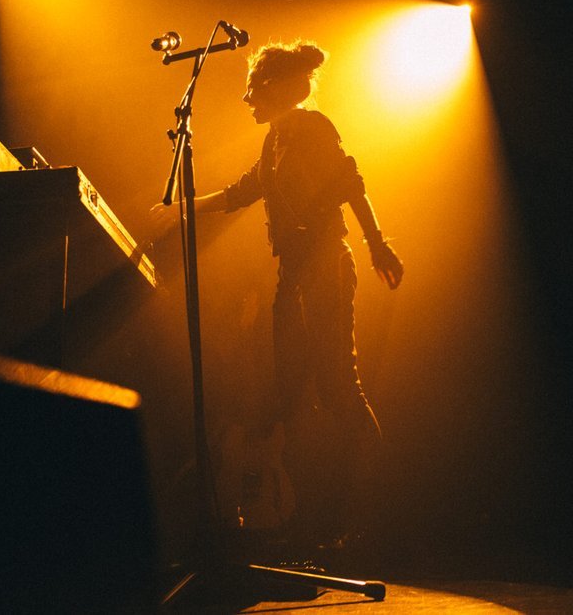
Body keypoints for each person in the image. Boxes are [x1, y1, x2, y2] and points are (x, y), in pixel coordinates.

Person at [150, 39, 403, 556]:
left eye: (252, 89)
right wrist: (182, 208)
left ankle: (380, 518)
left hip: (325, 264)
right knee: (292, 396)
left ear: (276, 88)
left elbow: (352, 182)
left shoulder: (312, 128)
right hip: (294, 274)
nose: (246, 99)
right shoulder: (274, 143)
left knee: (338, 386)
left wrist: (377, 244)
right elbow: (244, 191)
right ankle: (311, 523)